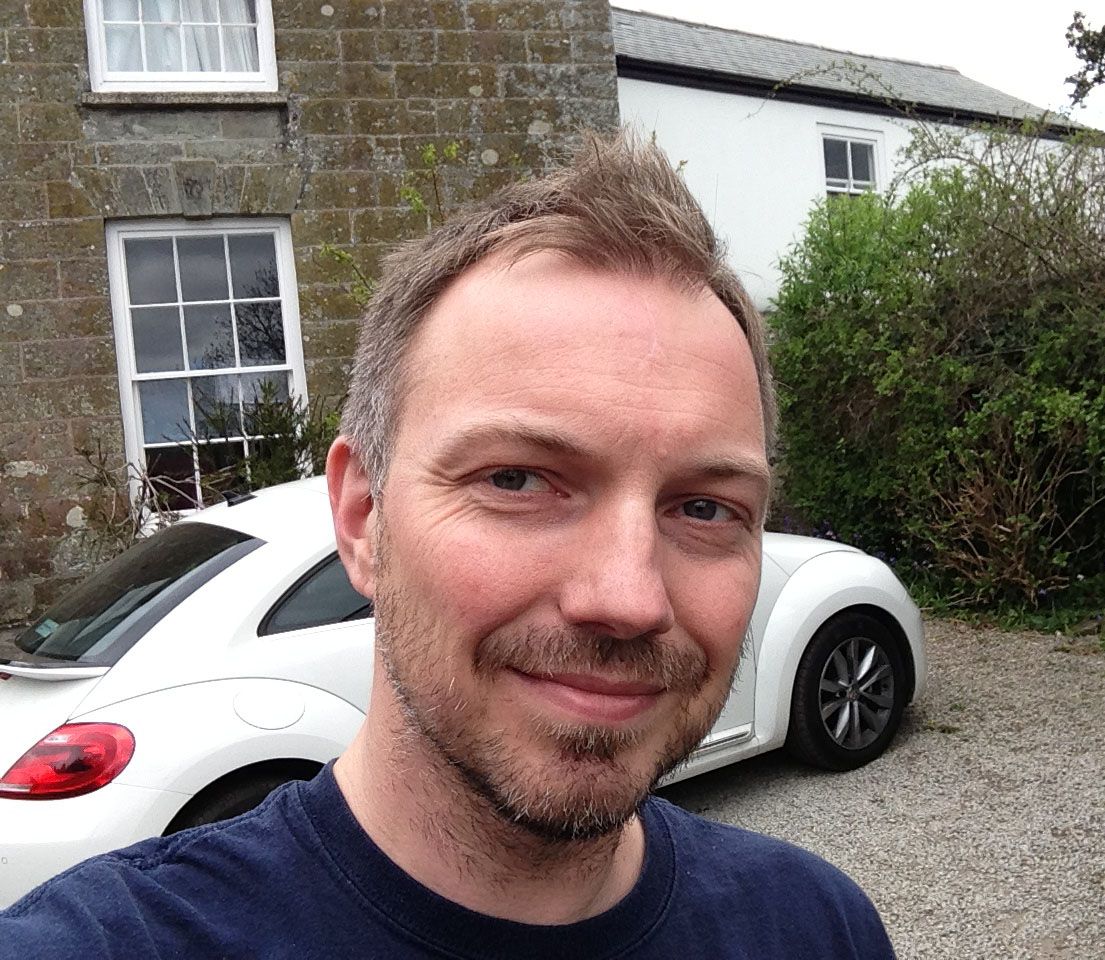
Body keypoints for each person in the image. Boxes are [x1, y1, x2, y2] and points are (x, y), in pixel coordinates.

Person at [0, 131, 896, 959]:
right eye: (515, 481)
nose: (628, 597)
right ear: (361, 518)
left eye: (704, 508)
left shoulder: (818, 929)